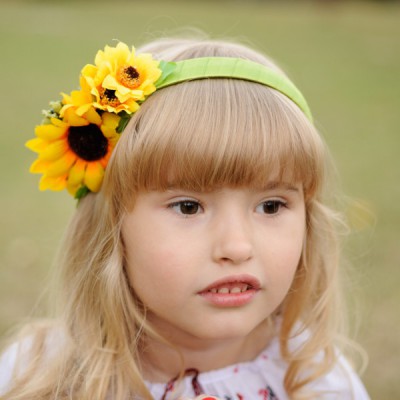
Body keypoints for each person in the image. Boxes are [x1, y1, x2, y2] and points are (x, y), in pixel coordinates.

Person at [0, 37, 370, 400]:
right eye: (188, 207)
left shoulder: (318, 381)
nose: (236, 247)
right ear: (111, 228)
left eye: (271, 206)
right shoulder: (39, 376)